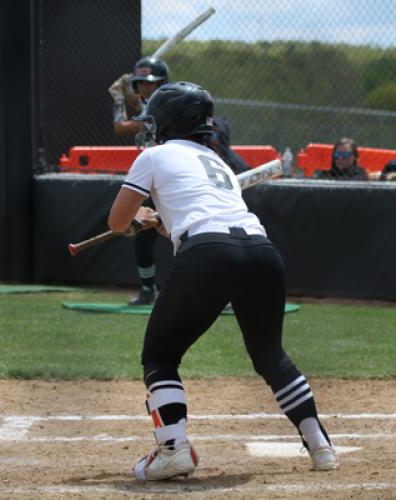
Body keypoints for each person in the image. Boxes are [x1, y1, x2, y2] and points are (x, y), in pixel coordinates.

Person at [108, 81, 339, 481]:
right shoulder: (220, 164)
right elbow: (196, 221)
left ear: (168, 121)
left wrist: (141, 220)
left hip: (208, 253)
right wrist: (160, 223)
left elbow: (116, 222)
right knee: (270, 355)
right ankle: (320, 445)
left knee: (160, 356)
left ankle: (174, 449)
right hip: (261, 251)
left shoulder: (153, 155)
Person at [108, 56, 169, 305]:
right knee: (142, 233)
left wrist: (119, 99)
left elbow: (121, 127)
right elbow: (140, 105)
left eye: (150, 83)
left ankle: (222, 292)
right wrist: (127, 88)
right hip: (156, 180)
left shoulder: (161, 107)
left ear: (162, 82)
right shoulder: (156, 102)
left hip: (170, 181)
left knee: (192, 238)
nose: (145, 88)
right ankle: (147, 290)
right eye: (140, 83)